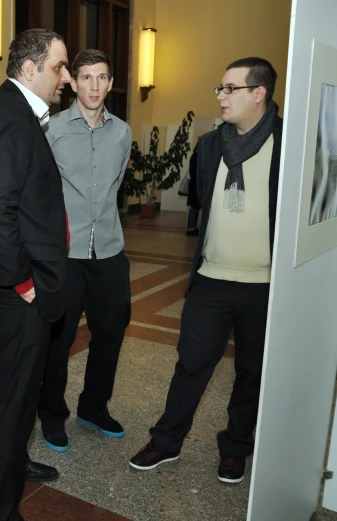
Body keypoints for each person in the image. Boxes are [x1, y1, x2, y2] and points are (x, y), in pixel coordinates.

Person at [129, 57, 282, 485]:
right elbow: (202, 201)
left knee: (252, 372)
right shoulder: (211, 144)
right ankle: (167, 440)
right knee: (191, 365)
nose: (220, 95)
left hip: (266, 286)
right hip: (211, 280)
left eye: (230, 88)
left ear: (259, 94)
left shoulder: (289, 142)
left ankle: (235, 448)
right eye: (220, 87)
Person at [0, 28, 72, 521]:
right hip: (18, 292)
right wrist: (22, 282)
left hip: (20, 287)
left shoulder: (15, 111)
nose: (65, 77)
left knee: (14, 402)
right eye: (59, 67)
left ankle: (3, 499)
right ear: (30, 70)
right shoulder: (8, 116)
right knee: (8, 408)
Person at [39, 49, 132, 452]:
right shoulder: (52, 129)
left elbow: (116, 186)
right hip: (66, 252)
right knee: (59, 341)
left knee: (110, 335)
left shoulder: (123, 132)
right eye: (86, 77)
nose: (94, 86)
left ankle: (94, 407)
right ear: (73, 82)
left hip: (110, 251)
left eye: (102, 77)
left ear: (110, 83)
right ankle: (51, 414)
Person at [186, 142, 201, 236]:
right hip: (196, 185)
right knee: (195, 207)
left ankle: (192, 228)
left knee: (195, 207)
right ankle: (191, 229)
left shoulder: (195, 155)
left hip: (194, 185)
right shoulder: (197, 156)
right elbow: (196, 173)